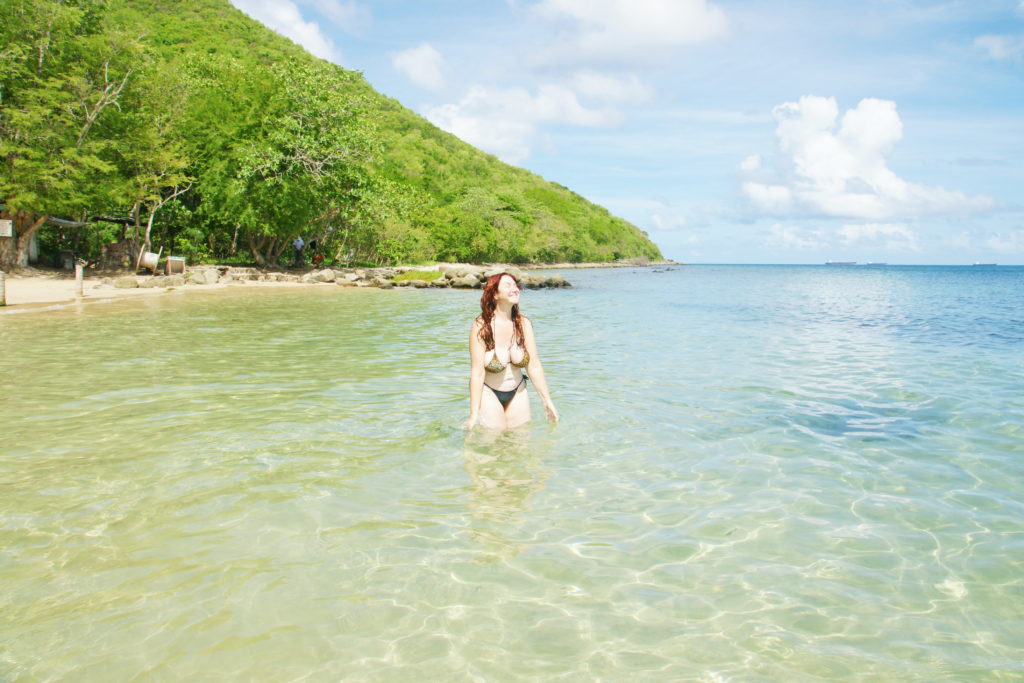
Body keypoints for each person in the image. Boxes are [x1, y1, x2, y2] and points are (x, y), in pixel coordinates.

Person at [464, 272, 558, 430]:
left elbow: (534, 366)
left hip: (518, 391)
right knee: (491, 446)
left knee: (520, 446)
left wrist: (547, 401)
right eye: (508, 285)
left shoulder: (523, 324)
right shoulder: (481, 326)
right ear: (495, 294)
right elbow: (477, 373)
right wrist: (473, 414)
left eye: (515, 285)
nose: (515, 289)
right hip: (489, 393)